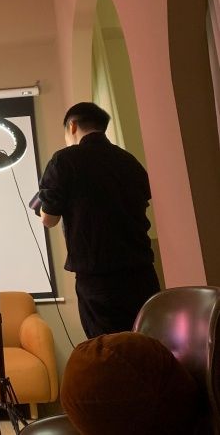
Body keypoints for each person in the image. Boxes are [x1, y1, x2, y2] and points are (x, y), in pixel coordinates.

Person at [34, 102, 160, 339]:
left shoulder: (64, 160)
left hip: (99, 279)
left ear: (72, 126)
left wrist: (42, 206)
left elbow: (49, 219)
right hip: (142, 273)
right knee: (147, 344)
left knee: (107, 348)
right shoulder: (128, 161)